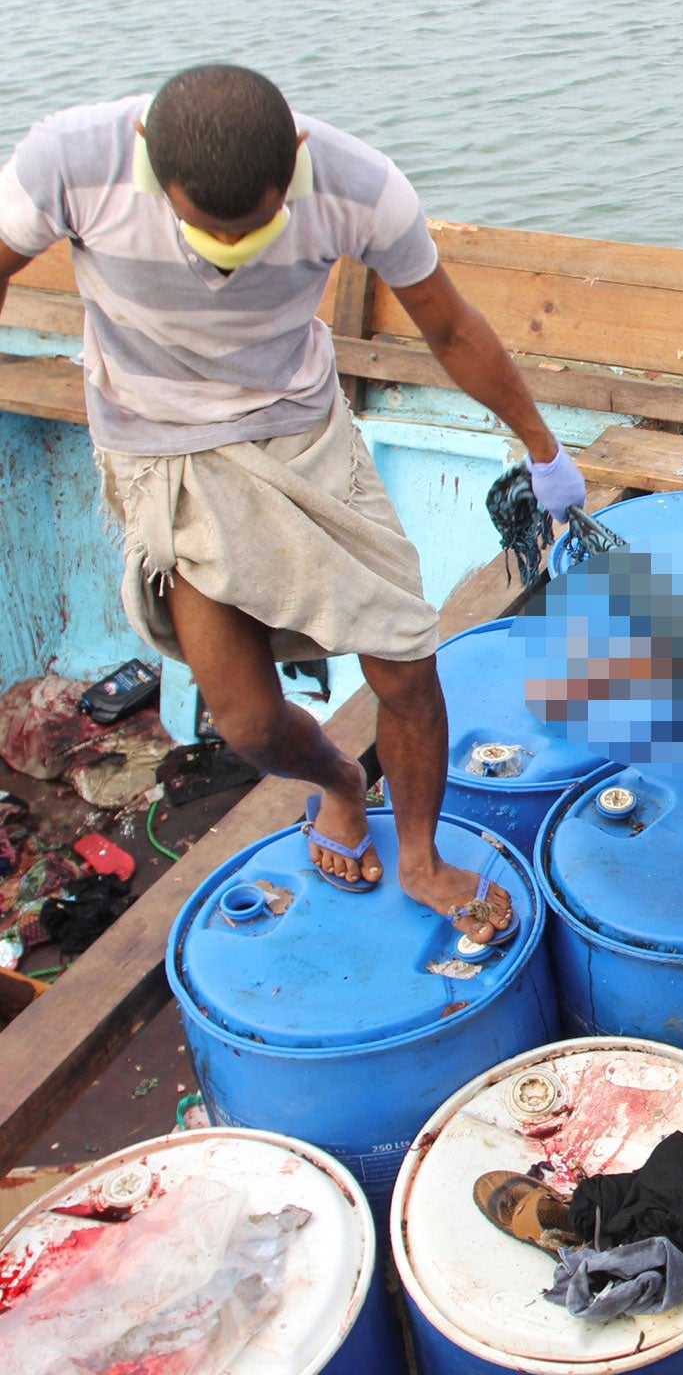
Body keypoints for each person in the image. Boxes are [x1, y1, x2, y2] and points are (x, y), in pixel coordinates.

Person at [0, 65, 588, 941]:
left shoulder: (360, 186)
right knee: (244, 718)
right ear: (149, 166)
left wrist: (543, 446)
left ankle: (422, 856)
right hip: (167, 462)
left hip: (304, 446)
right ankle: (342, 782)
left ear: (299, 160)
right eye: (205, 232)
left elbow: (452, 328)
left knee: (403, 666)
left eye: (254, 231)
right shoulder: (67, 161)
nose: (224, 258)